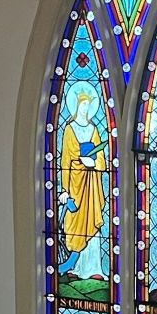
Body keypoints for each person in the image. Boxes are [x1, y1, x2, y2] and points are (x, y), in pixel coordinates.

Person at [56, 85, 107, 282]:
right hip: (74, 185)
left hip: (91, 185)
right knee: (74, 225)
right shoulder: (69, 130)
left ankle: (94, 268)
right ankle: (76, 268)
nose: (85, 109)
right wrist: (64, 190)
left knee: (92, 222)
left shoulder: (94, 130)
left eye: (88, 106)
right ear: (76, 106)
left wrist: (94, 163)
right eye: (83, 105)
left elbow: (101, 157)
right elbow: (65, 160)